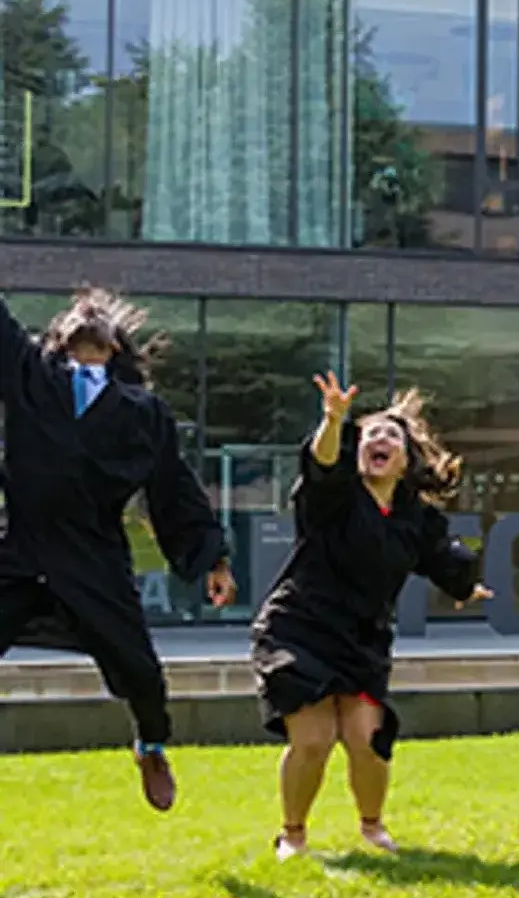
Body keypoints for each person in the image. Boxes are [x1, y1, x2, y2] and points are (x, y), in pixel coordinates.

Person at [0, 287, 235, 811]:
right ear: (59, 340)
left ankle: (150, 746)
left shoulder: (143, 412)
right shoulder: (30, 377)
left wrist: (211, 557)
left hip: (94, 557)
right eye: (78, 320)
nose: (89, 324)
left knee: (142, 672)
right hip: (21, 550)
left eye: (100, 323)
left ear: (115, 347)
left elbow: (173, 489)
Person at [251, 375, 492, 859]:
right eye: (369, 436)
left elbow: (443, 558)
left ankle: (372, 825)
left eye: (390, 436)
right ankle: (293, 835)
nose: (378, 441)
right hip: (300, 627)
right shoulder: (335, 495)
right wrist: (334, 419)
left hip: (363, 637)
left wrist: (466, 587)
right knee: (314, 739)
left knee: (367, 738)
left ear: (406, 460)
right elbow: (321, 461)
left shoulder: (415, 516)